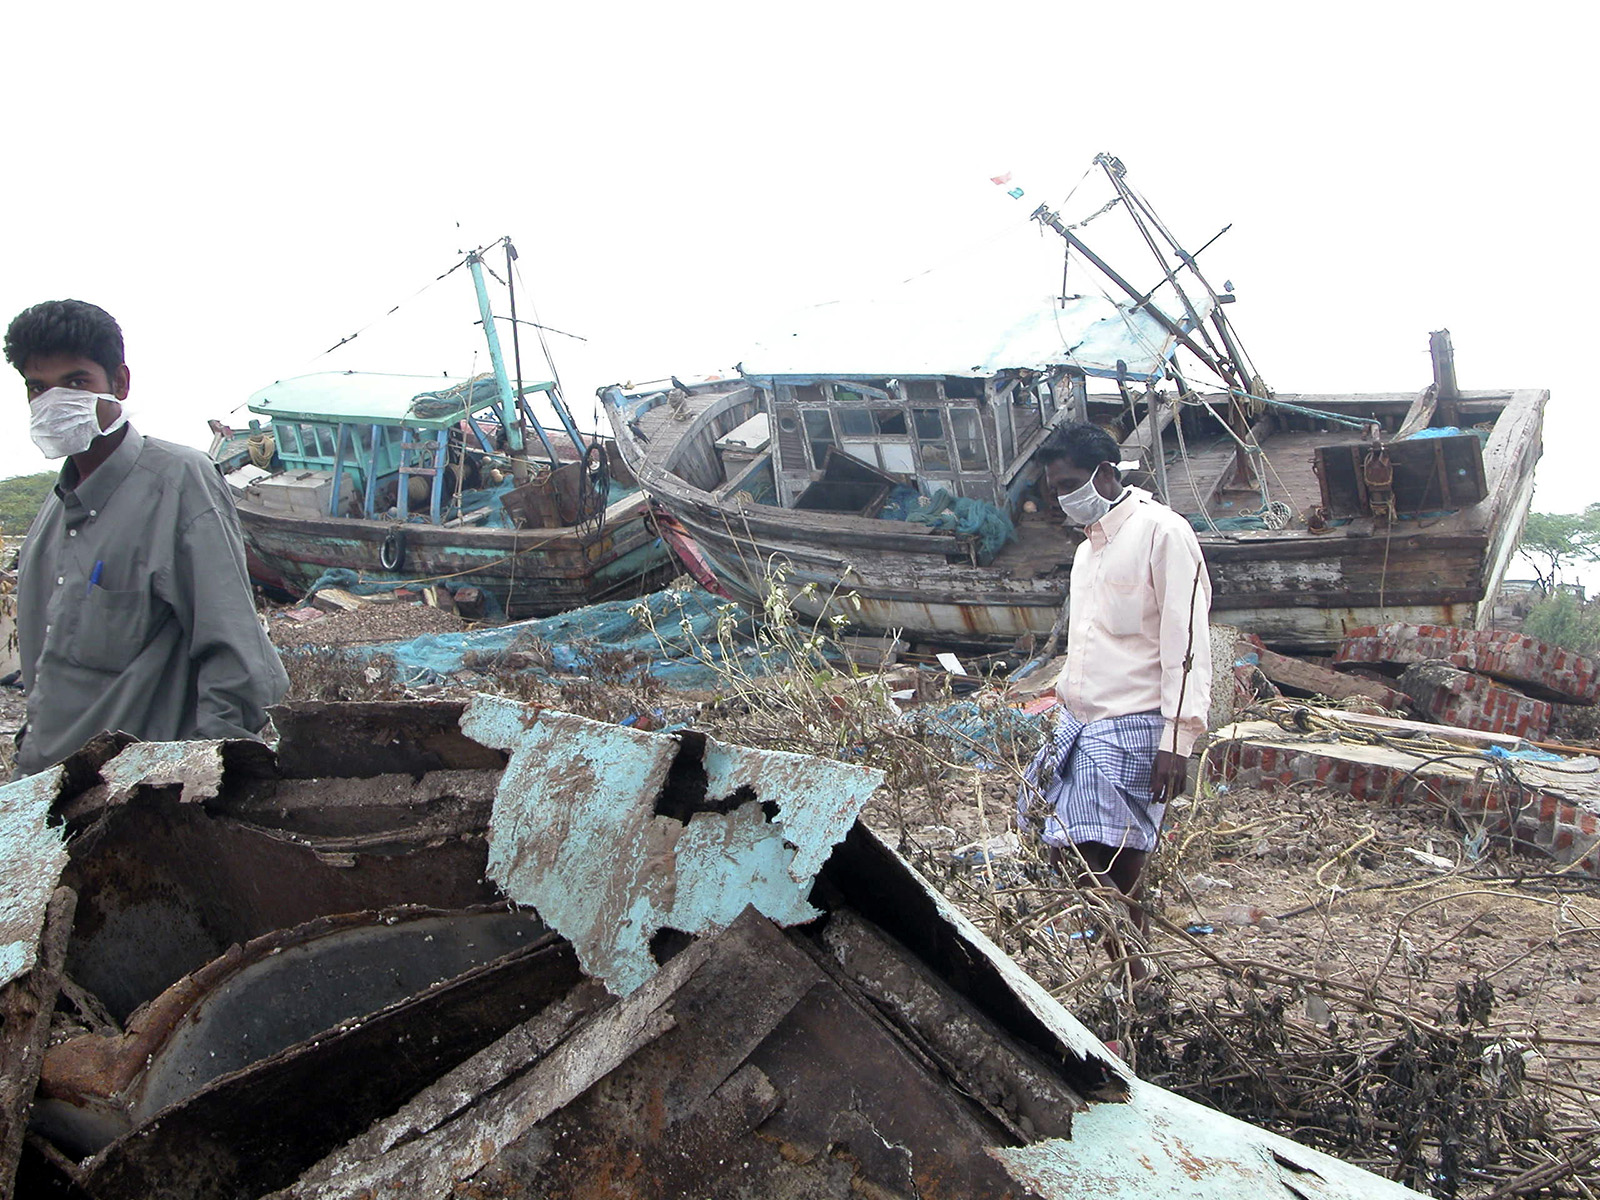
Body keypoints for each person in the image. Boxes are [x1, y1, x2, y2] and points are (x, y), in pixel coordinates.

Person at [4, 299, 288, 776]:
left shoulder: (178, 483)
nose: (54, 403)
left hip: (131, 799)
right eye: (38, 387)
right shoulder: (55, 509)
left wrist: (196, 782)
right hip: (40, 788)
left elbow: (240, 665)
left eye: (75, 383)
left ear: (119, 382)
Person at [1020, 421, 1212, 970]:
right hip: (1079, 721)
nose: (1063, 497)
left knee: (1094, 851)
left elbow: (1188, 638)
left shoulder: (1162, 533)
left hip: (1135, 721)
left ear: (1106, 473)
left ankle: (1128, 963)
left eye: (1072, 483)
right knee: (1085, 847)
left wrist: (1178, 739)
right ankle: (1133, 964)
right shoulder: (1088, 550)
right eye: (1056, 488)